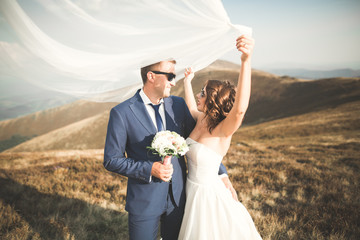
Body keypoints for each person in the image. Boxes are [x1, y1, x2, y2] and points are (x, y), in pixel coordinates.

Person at [103, 60, 236, 240]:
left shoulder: (178, 105)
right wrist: (149, 169)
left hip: (180, 199)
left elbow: (201, 142)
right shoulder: (122, 113)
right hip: (144, 201)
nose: (174, 82)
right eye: (170, 76)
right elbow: (112, 159)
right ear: (151, 76)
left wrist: (221, 173)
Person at [178, 35, 262, 239]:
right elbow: (190, 107)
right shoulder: (201, 119)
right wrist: (187, 82)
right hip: (191, 190)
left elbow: (240, 109)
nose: (199, 95)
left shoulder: (224, 130)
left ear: (213, 100)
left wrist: (246, 61)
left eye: (203, 93)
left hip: (209, 197)